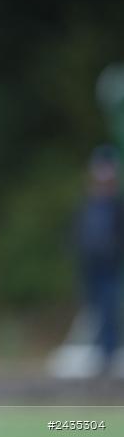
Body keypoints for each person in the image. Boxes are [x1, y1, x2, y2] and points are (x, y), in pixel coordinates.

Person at [72, 145, 124, 374]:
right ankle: (100, 353)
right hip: (90, 264)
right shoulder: (88, 204)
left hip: (109, 264)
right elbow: (78, 231)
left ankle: (108, 354)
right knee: (95, 309)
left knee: (108, 307)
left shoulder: (115, 205)